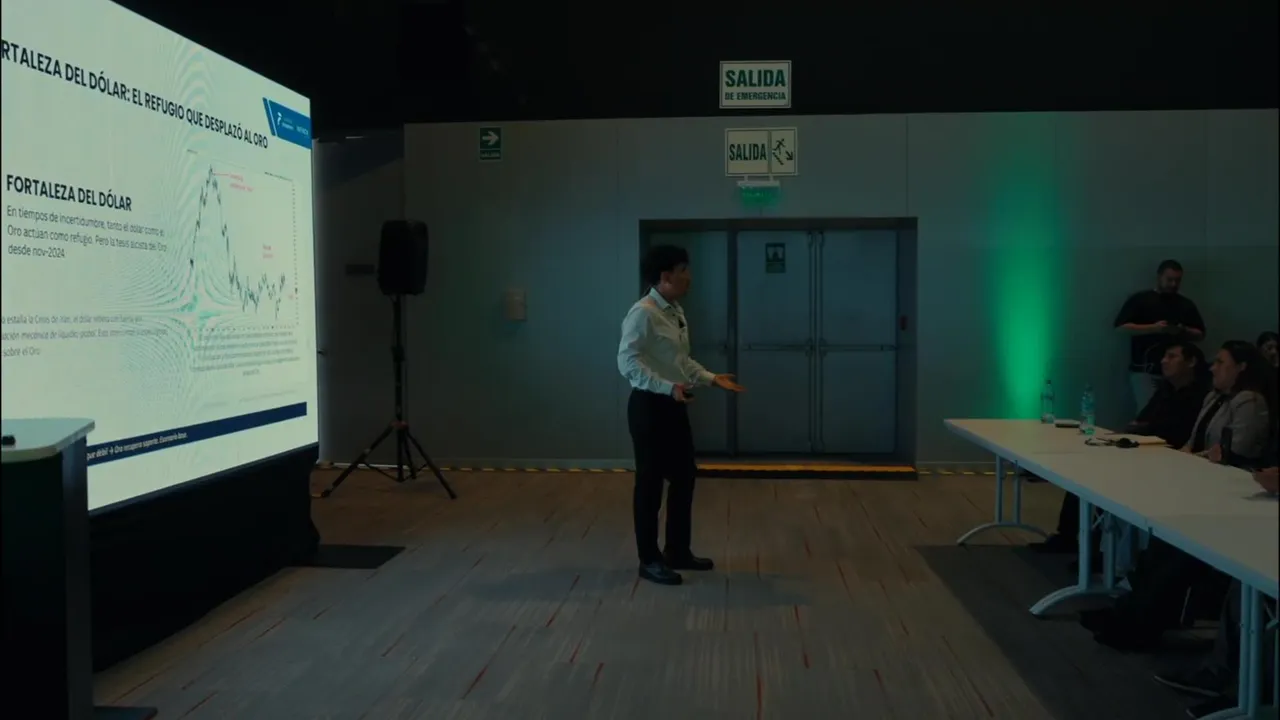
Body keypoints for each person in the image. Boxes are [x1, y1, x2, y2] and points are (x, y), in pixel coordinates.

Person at [1085, 342, 1275, 651]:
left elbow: (1235, 451)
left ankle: (1141, 620)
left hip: (1230, 492)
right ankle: (1132, 612)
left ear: (1242, 367)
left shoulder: (1249, 401)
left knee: (1176, 549)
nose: (1213, 367)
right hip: (1203, 482)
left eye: (1221, 362)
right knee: (1163, 542)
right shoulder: (1213, 397)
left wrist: (1200, 456)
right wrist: (1194, 456)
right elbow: (1197, 443)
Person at [617, 245, 744, 586]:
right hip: (649, 407)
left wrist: (712, 378)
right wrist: (666, 387)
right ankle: (649, 559)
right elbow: (627, 362)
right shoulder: (643, 313)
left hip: (673, 405)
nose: (689, 277)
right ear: (665, 276)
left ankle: (677, 550)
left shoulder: (674, 311)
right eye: (683, 270)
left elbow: (681, 362)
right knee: (650, 484)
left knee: (684, 476)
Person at [1032, 341, 1210, 555]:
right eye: (1164, 356)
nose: (1164, 361)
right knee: (1084, 471)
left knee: (1107, 480)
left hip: (1169, 459)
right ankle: (1070, 536)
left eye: (1172, 356)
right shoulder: (1165, 390)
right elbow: (1141, 422)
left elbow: (1174, 431)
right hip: (1143, 451)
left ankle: (1101, 548)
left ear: (1191, 362)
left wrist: (1145, 429)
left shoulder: (1201, 396)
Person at [1114, 259, 1206, 412]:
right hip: (1145, 370)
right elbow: (1120, 328)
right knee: (1148, 412)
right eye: (1169, 279)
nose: (1173, 284)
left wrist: (1183, 330)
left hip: (1177, 372)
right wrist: (1154, 328)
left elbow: (1200, 334)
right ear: (1159, 277)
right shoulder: (1141, 299)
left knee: (1175, 413)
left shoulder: (1185, 304)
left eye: (1177, 280)